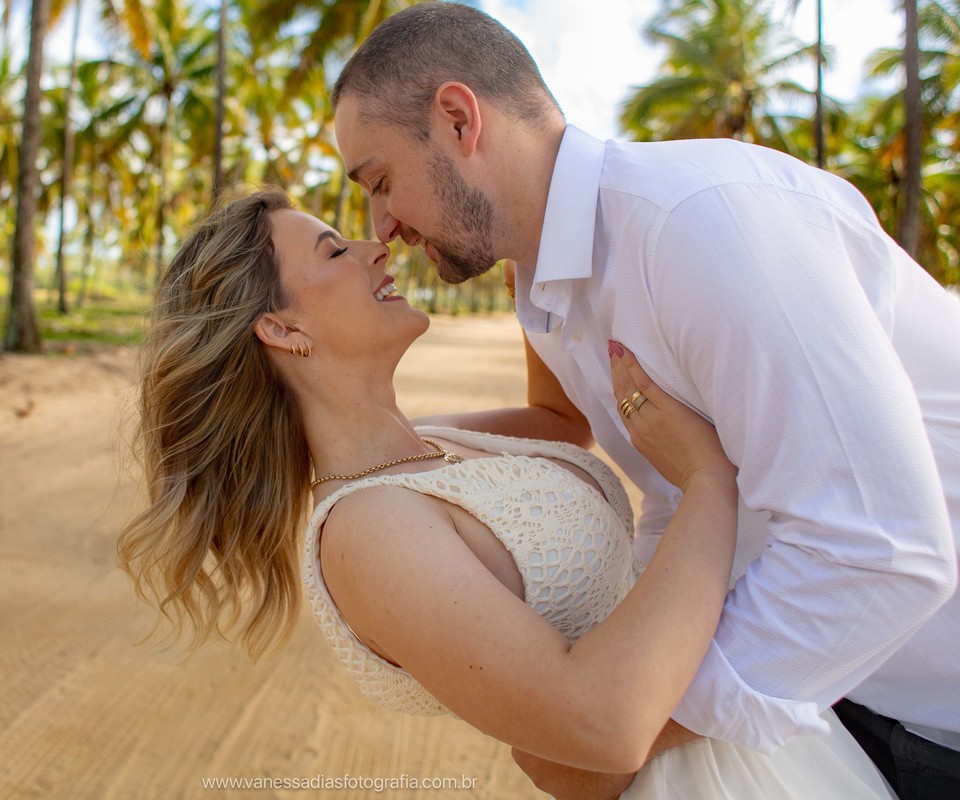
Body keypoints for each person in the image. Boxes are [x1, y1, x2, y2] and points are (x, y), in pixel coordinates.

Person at [331, 3, 960, 798]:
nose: (380, 227)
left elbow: (886, 546)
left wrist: (634, 724)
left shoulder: (698, 227)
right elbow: (664, 477)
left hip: (939, 713)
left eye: (380, 183)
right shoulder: (549, 286)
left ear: (459, 119)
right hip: (834, 699)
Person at [119, 189, 896, 798]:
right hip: (696, 779)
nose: (373, 246)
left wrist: (526, 246)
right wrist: (706, 484)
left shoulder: (437, 441)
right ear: (284, 332)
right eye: (334, 248)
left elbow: (559, 421)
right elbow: (603, 728)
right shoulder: (365, 533)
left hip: (754, 744)